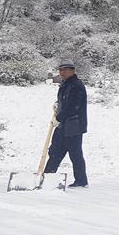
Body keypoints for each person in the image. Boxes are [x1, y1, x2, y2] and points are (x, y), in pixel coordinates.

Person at [44, 60, 88, 188]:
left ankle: (81, 181)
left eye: (64, 70)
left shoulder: (76, 85)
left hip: (74, 126)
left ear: (72, 71)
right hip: (63, 126)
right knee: (55, 152)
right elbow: (65, 102)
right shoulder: (65, 85)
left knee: (75, 155)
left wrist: (59, 117)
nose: (61, 72)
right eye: (60, 70)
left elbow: (73, 107)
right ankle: (46, 177)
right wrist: (58, 105)